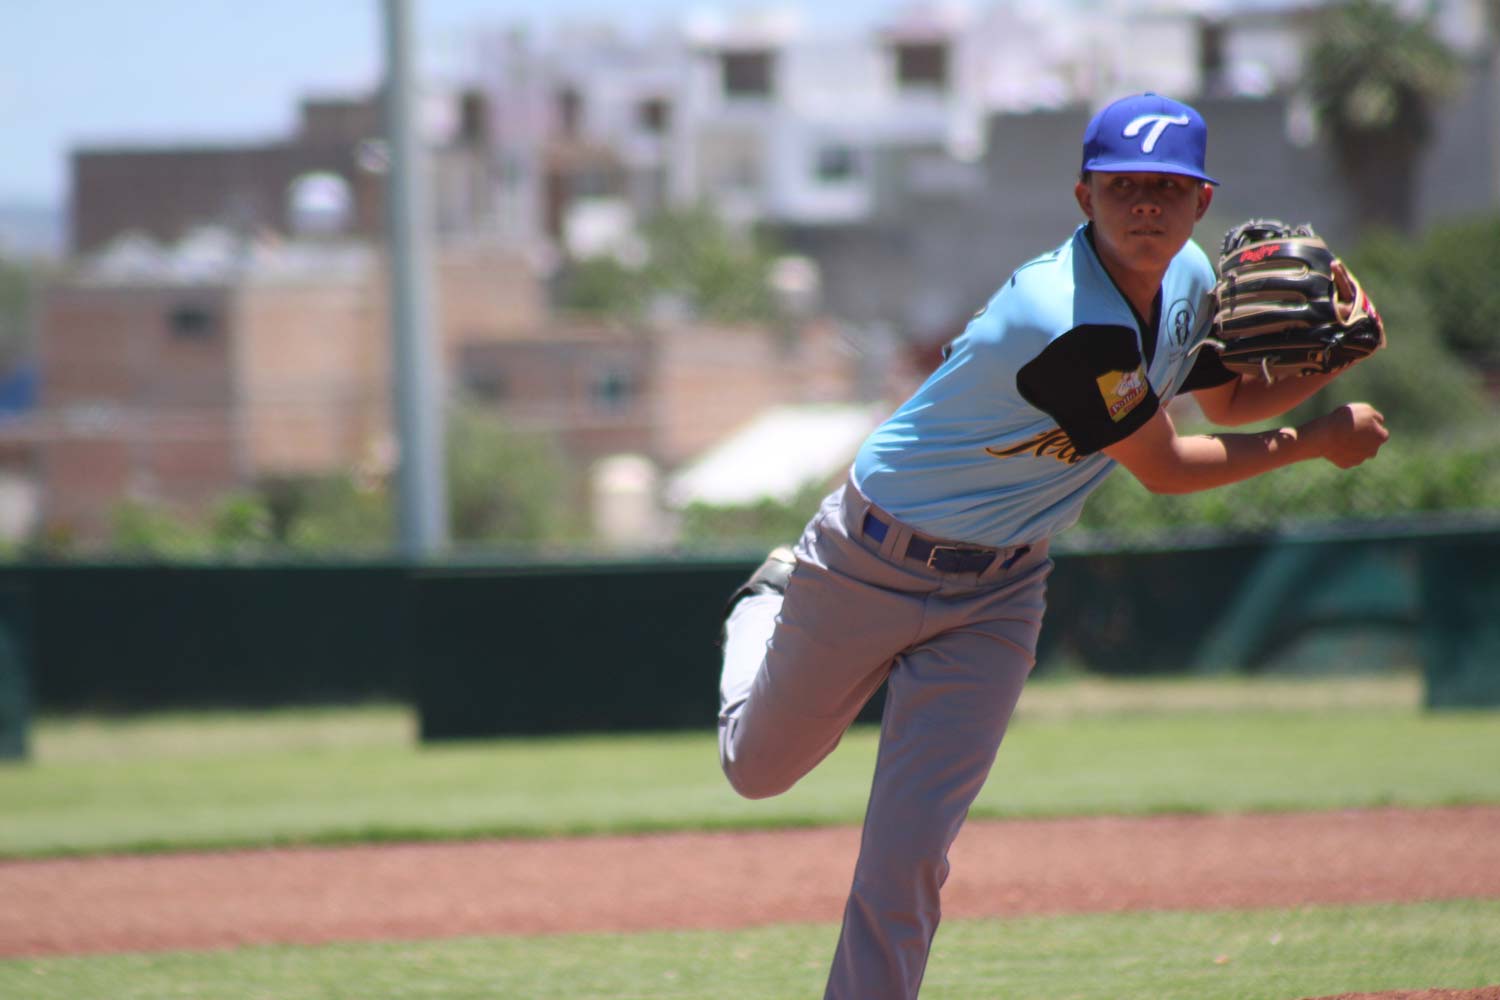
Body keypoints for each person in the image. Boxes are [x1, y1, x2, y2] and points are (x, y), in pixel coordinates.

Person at [716, 92, 1389, 999]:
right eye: (1124, 188)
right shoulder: (1064, 316)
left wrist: (1334, 359)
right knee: (758, 771)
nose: (1145, 204)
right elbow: (1167, 468)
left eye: (1167, 186)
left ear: (1202, 200)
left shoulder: (1188, 280)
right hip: (868, 559)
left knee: (909, 851)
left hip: (998, 594)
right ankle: (767, 601)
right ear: (1084, 199)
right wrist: (1317, 441)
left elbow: (1225, 405)